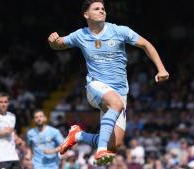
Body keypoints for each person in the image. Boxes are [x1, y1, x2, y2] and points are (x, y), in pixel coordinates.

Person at [48, 0, 169, 165]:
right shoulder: (80, 35)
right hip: (95, 86)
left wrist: (161, 69)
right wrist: (53, 42)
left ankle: (77, 135)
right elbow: (59, 45)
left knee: (115, 144)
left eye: (103, 8)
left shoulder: (119, 31)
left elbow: (146, 44)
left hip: (120, 91)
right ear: (86, 14)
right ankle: (100, 151)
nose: (101, 11)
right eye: (96, 9)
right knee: (115, 104)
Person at [0, 92, 23, 169]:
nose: (3, 104)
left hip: (14, 157)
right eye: (1, 102)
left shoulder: (12, 116)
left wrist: (17, 139)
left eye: (5, 102)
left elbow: (12, 132)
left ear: (8, 103)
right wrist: (2, 132)